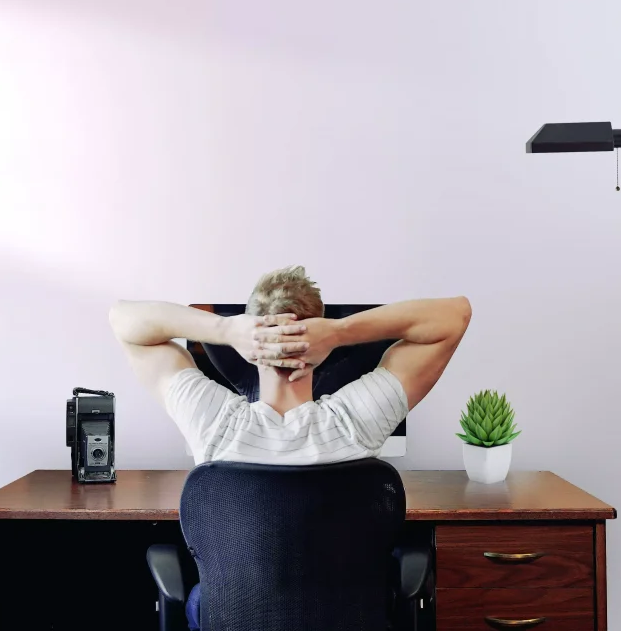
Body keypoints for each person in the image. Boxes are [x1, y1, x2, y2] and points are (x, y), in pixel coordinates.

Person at [108, 265, 472, 629]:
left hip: (237, 618)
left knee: (203, 595)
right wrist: (340, 332)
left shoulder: (213, 423)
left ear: (250, 348)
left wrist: (225, 329)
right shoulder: (356, 422)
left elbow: (123, 319)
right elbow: (455, 315)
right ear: (322, 343)